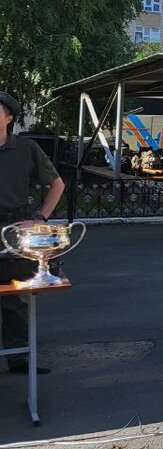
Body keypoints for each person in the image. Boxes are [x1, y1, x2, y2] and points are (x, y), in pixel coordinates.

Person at [0, 91, 65, 375]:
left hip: (14, 233)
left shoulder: (26, 149)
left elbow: (57, 185)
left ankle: (18, 359)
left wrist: (39, 218)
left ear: (9, 118)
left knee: (15, 297)